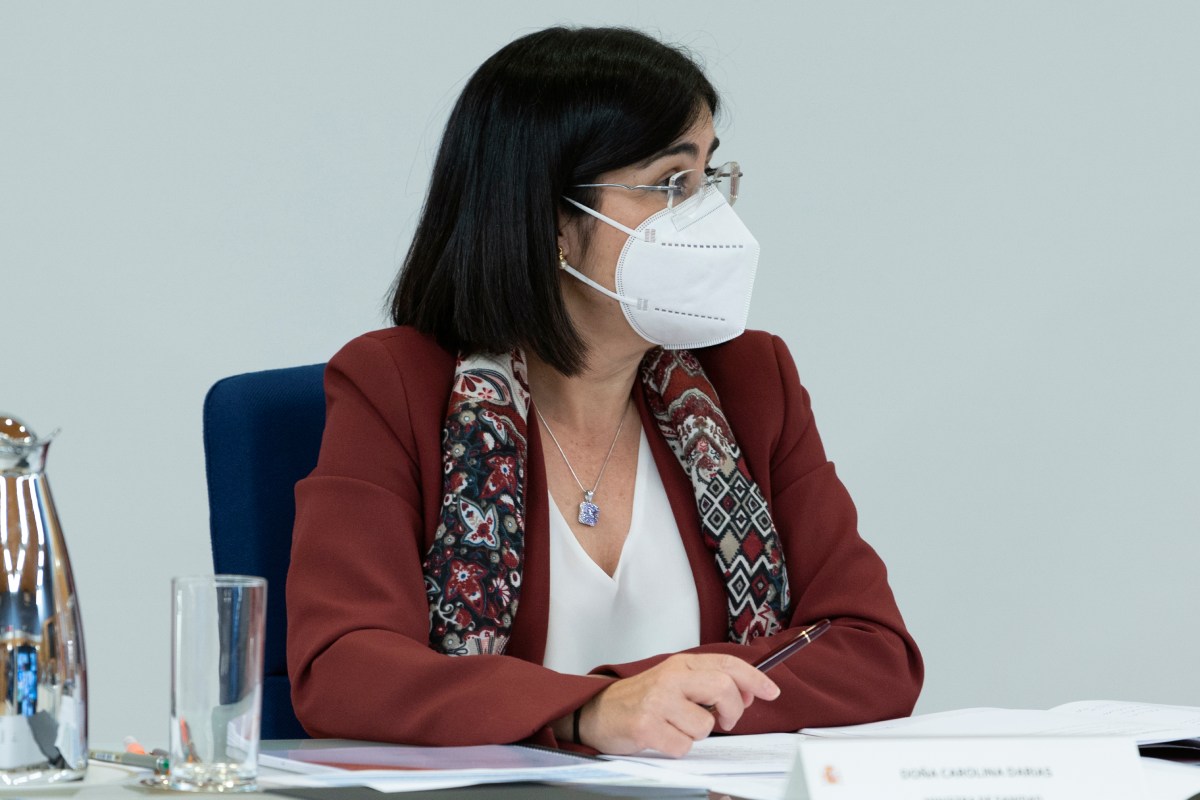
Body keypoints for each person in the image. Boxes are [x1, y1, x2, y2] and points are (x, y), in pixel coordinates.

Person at [287, 25, 922, 757]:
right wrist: (588, 711)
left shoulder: (751, 380)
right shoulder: (394, 384)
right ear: (553, 218)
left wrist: (655, 696)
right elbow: (342, 669)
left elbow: (875, 651)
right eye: (668, 185)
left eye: (710, 179)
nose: (709, 216)